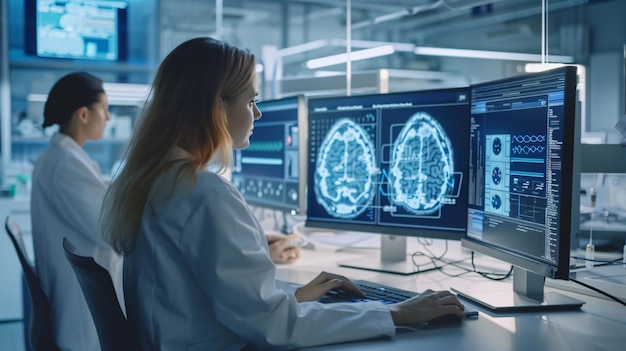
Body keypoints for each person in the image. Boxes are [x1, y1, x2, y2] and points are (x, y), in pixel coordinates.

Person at [100, 37, 465, 350]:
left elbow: (218, 301)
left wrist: (291, 296)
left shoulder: (154, 181)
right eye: (250, 101)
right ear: (217, 108)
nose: (257, 114)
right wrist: (394, 312)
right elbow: (276, 328)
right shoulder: (203, 194)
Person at [30, 71, 121, 350]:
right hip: (81, 319)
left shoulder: (65, 157)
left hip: (80, 303)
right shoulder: (64, 163)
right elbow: (110, 230)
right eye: (104, 110)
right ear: (83, 114)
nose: (107, 118)